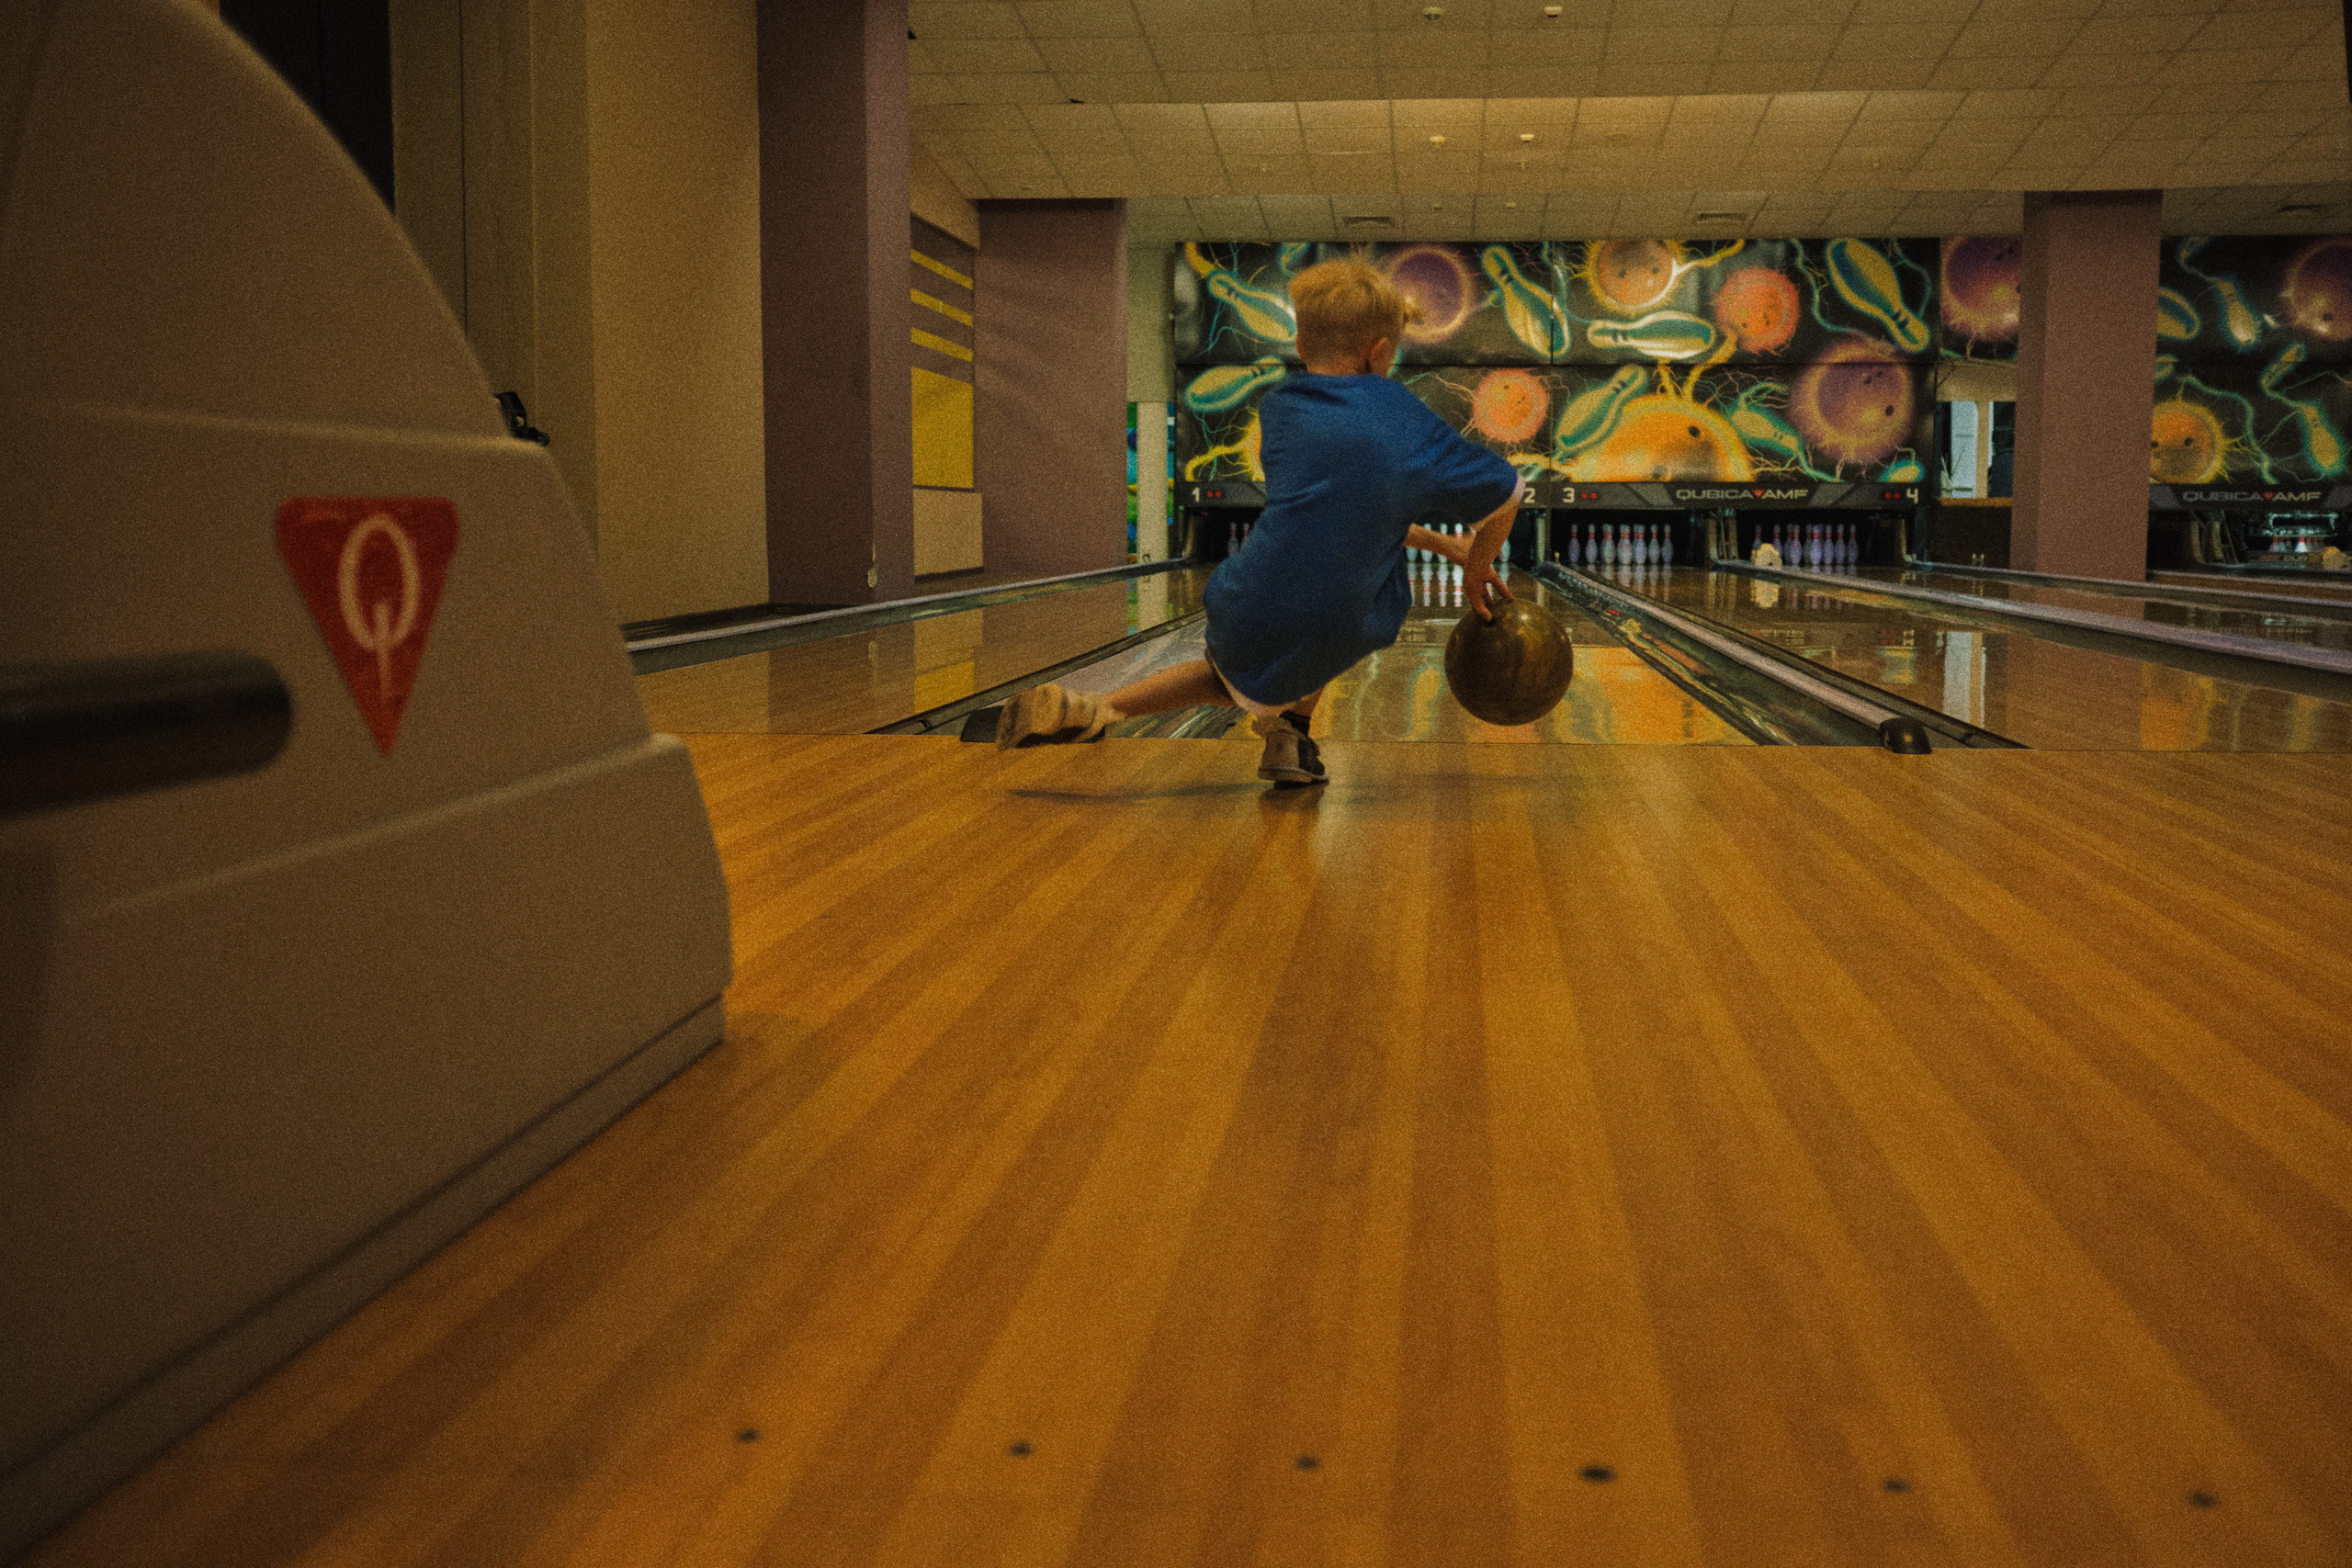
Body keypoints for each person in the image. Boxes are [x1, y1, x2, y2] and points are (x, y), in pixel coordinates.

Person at [996, 257, 1527, 784]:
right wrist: (1477, 562)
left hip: (1249, 596)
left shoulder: (1281, 411)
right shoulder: (1406, 418)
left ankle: (1142, 716)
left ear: (1300, 347)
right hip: (1340, 617)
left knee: (1223, 673)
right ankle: (1241, 726)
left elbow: (1343, 507)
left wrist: (1444, 546)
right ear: (1381, 353)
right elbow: (1508, 493)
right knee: (1352, 608)